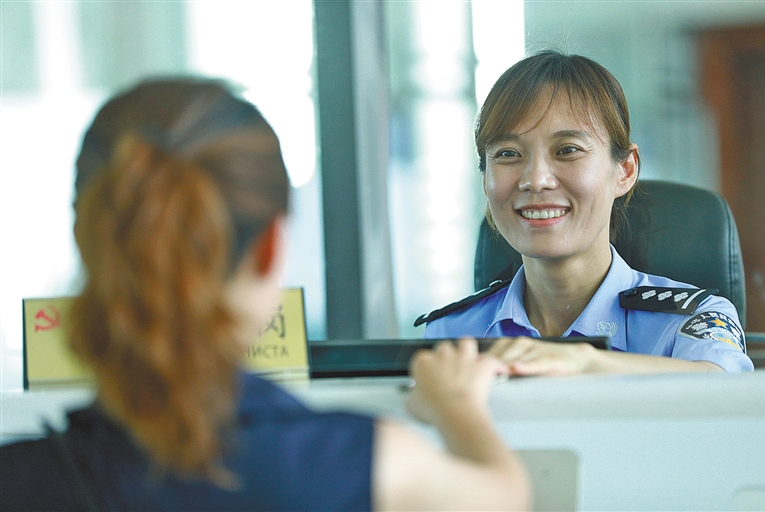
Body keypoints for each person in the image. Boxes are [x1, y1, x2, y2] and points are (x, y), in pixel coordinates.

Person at [0, 78, 530, 511]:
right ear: (272, 244)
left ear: (88, 241)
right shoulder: (354, 463)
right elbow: (506, 496)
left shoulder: (19, 480)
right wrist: (459, 408)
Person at [419, 50, 753, 375]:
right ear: (485, 179)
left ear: (625, 170)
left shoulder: (693, 318)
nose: (536, 180)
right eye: (508, 154)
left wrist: (584, 362)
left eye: (567, 150)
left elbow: (722, 384)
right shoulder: (450, 333)